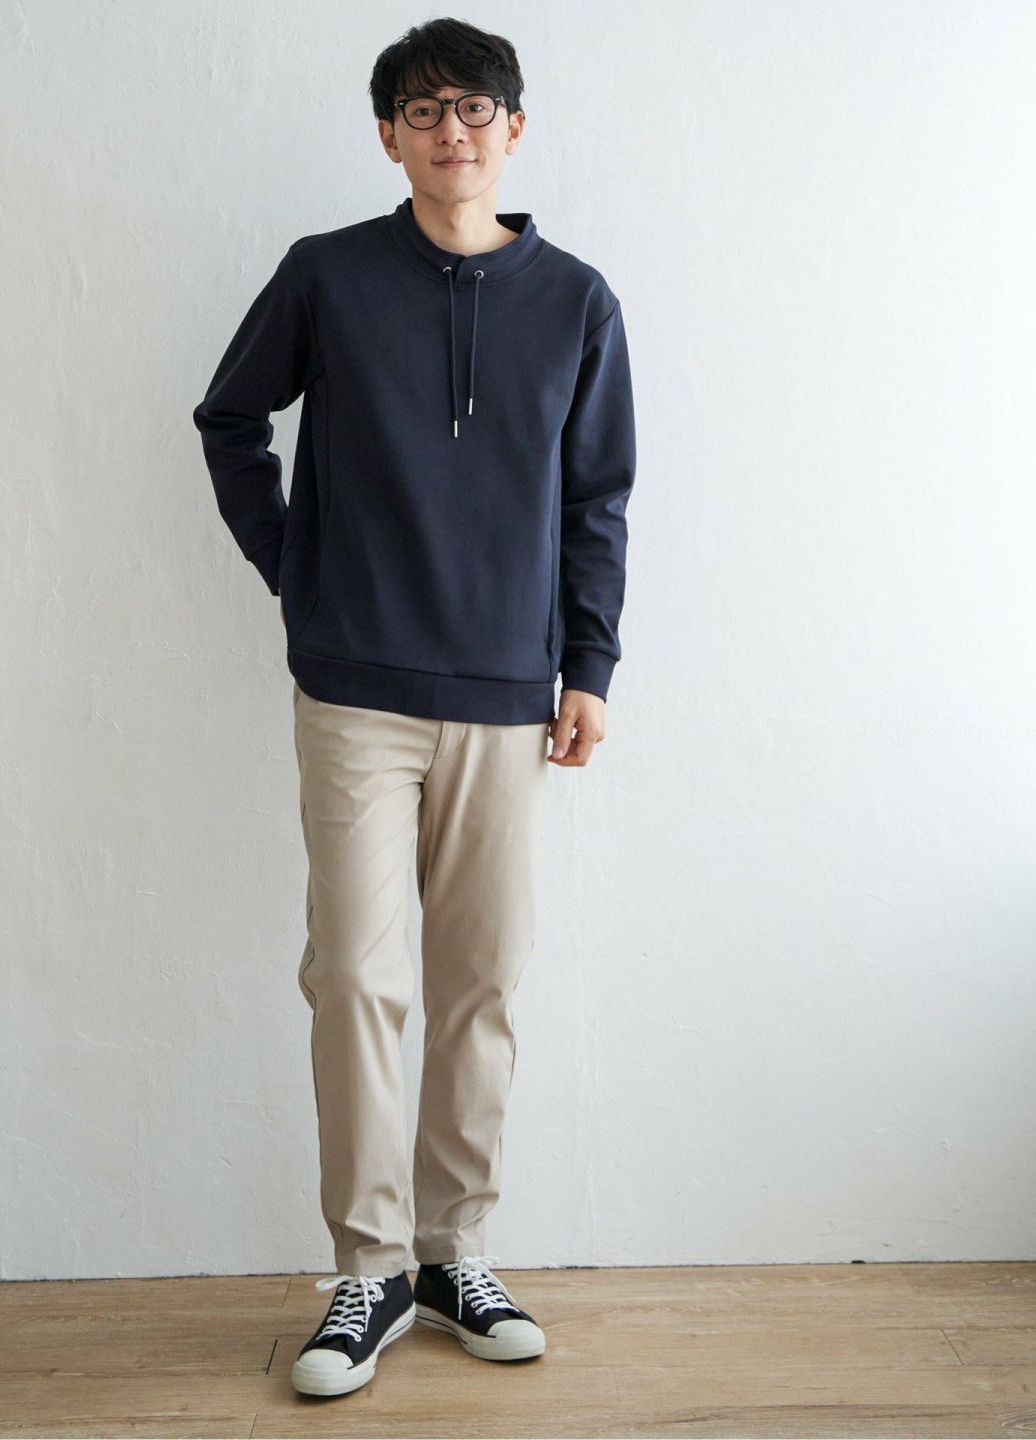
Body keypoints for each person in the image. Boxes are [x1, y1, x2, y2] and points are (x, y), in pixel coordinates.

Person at [192, 16, 636, 1399]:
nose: (454, 130)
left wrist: (589, 666)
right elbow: (228, 419)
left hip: (508, 696)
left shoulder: (578, 302)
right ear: (389, 134)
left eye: (477, 107)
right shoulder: (327, 276)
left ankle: (456, 1252)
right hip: (356, 691)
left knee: (481, 983)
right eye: (426, 109)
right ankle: (371, 1268)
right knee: (356, 979)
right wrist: (296, 569)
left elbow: (597, 499)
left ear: (516, 127)